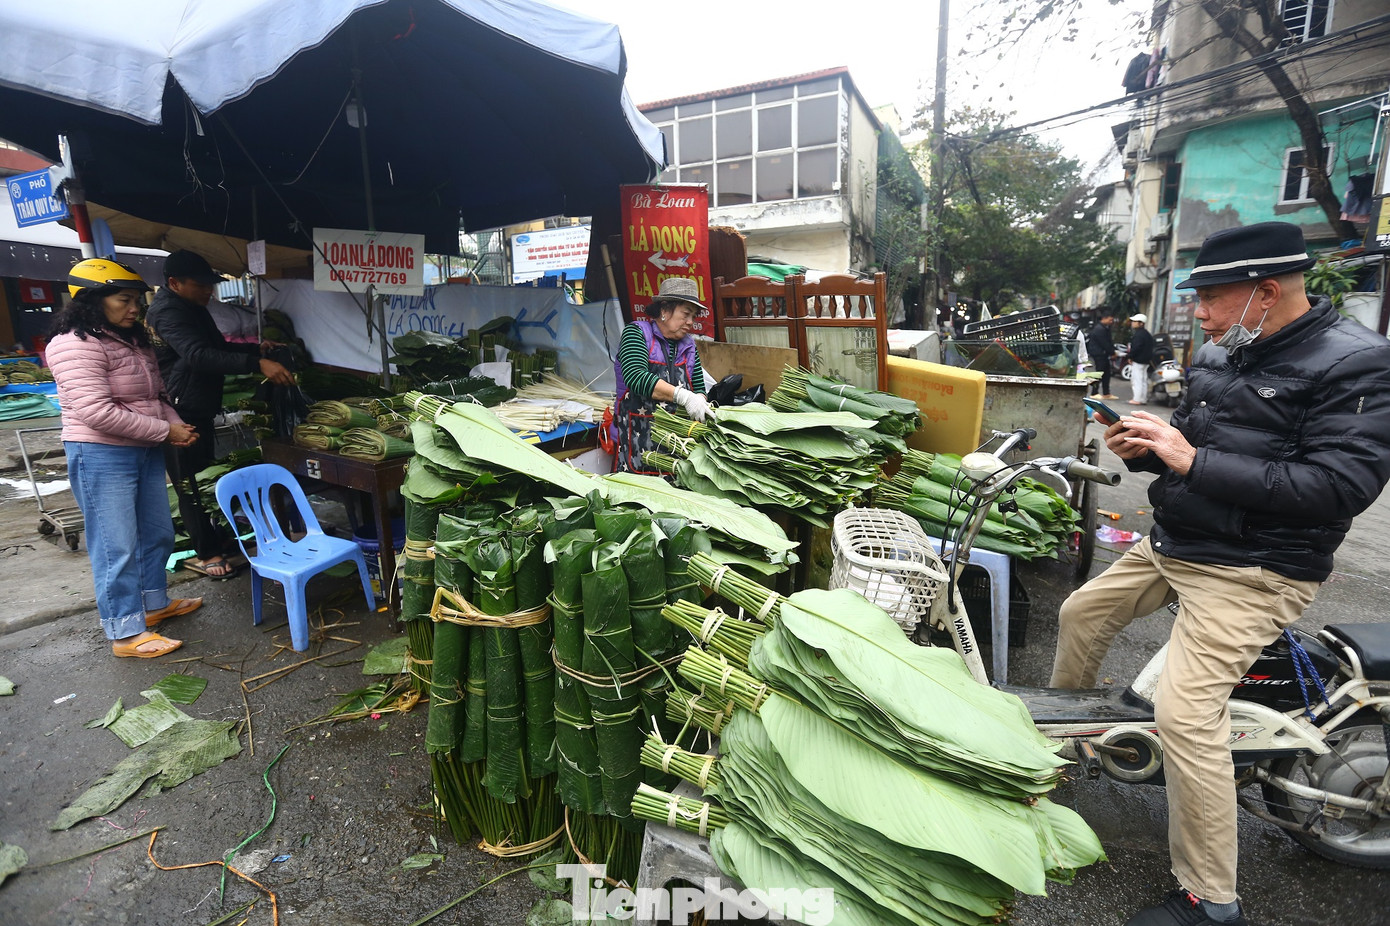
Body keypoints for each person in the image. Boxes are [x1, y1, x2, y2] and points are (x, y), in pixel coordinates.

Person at [1050, 222, 1390, 926]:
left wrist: (1188, 459)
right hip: (1180, 540)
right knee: (1080, 613)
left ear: (1265, 294)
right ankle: (1060, 756)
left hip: (1256, 569)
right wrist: (1147, 448)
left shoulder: (1359, 365)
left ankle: (1212, 901)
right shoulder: (1222, 352)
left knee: (1184, 714)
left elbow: (1335, 488)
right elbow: (1194, 449)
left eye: (1209, 297)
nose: (1198, 313)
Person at [46, 259, 204, 658]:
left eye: (137, 300)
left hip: (144, 448)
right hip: (100, 453)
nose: (135, 308)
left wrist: (175, 424)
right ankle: (124, 633)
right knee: (116, 545)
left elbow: (157, 397)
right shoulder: (73, 344)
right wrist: (164, 431)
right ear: (92, 301)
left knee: (158, 534)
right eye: (124, 300)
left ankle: (154, 606)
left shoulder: (133, 340)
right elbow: (95, 412)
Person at [145, 250, 295, 579]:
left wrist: (255, 349)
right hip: (177, 411)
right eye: (200, 285)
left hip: (198, 404)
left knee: (205, 475)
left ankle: (217, 538)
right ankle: (207, 551)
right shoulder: (168, 312)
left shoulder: (192, 307)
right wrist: (256, 365)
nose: (208, 291)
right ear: (175, 283)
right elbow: (199, 356)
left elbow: (216, 346)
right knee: (189, 483)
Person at [611, 277, 711, 472]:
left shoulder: (688, 346)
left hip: (676, 443)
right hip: (637, 440)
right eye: (686, 314)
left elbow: (699, 387)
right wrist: (683, 396)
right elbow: (636, 377)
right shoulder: (636, 333)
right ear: (664, 310)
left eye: (694, 316)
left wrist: (699, 399)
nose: (690, 322)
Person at [1086, 310, 1118, 398]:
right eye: (1110, 320)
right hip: (1099, 354)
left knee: (1107, 373)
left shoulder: (1105, 328)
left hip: (1104, 354)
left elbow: (1109, 342)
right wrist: (1112, 352)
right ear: (1104, 318)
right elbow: (1105, 343)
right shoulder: (1099, 329)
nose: (1111, 322)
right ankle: (1094, 392)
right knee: (1099, 373)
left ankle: (1106, 392)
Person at [1126, 312, 1155, 405]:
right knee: (1143, 380)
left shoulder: (1139, 335)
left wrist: (1130, 356)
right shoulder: (1146, 334)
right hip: (1145, 361)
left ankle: (1137, 399)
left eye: (1135, 321)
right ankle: (1143, 399)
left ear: (1141, 323)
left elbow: (1136, 347)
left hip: (1138, 361)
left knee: (1137, 380)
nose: (1132, 323)